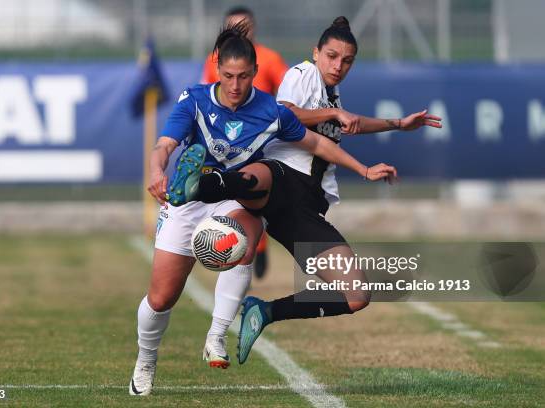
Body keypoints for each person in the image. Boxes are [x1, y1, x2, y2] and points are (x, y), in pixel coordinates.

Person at [130, 22, 397, 396]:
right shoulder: (194, 99)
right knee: (160, 299)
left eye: (243, 76)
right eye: (227, 76)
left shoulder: (271, 111)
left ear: (255, 72)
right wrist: (157, 169)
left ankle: (217, 335)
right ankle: (146, 360)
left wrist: (363, 168)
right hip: (184, 202)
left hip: (234, 198)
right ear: (216, 67)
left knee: (248, 231)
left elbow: (319, 146)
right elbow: (164, 145)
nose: (235, 85)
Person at [193, 16, 443, 365]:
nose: (338, 65)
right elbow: (286, 113)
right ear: (316, 53)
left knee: (356, 294)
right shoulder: (303, 74)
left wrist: (398, 124)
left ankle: (265, 312)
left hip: (305, 207)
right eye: (331, 56)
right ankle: (205, 184)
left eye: (347, 61)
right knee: (259, 181)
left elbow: (349, 122)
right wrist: (335, 113)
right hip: (281, 178)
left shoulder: (332, 94)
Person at [202, 6, 289, 279]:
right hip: (225, 142)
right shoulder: (214, 60)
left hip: (259, 142)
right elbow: (207, 99)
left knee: (252, 197)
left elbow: (287, 96)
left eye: (245, 26)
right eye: (234, 27)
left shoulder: (270, 59)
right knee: (227, 198)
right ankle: (237, 253)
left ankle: (257, 246)